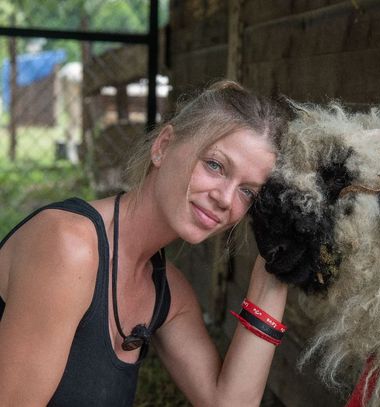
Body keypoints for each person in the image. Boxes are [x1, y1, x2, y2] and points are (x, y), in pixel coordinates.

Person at [0, 80, 289, 406]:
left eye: (247, 191)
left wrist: (275, 270)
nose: (225, 199)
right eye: (215, 165)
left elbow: (230, 404)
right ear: (162, 146)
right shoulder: (68, 246)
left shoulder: (168, 293)